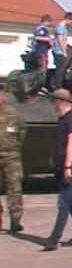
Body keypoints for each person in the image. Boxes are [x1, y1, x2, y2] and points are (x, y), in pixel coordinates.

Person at [43, 89, 72, 251]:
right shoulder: (62, 119)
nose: (52, 104)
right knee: (71, 202)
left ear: (59, 101)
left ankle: (54, 238)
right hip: (63, 165)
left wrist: (68, 166)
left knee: (64, 201)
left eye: (53, 101)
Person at [0, 93, 26, 233]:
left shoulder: (13, 114)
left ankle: (15, 220)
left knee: (14, 189)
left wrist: (14, 147)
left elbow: (22, 130)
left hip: (11, 157)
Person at [51, 12, 72, 90]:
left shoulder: (63, 27)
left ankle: (59, 85)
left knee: (62, 69)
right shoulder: (60, 27)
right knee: (60, 70)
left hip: (60, 51)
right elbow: (60, 39)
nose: (71, 24)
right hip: (59, 51)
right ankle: (57, 87)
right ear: (68, 19)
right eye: (71, 22)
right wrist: (64, 51)